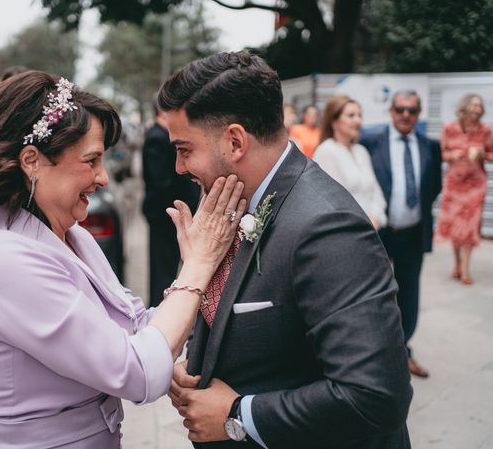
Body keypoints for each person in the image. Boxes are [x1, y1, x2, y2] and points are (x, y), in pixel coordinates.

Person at [0, 71, 247, 448]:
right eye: (90, 161)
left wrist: (168, 352)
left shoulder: (71, 236)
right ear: (32, 161)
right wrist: (198, 266)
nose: (103, 177)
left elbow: (137, 326)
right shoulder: (3, 262)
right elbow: (136, 372)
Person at [160, 51, 412, 448]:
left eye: (185, 149)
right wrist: (192, 362)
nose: (178, 167)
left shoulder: (326, 226)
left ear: (235, 141)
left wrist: (236, 415)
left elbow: (376, 396)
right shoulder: (227, 203)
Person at [361, 90, 442, 379]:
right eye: (400, 109)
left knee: (408, 294)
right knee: (373, 294)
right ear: (391, 112)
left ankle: (403, 349)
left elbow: (434, 187)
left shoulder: (430, 146)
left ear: (418, 114)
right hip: (380, 233)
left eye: (411, 110)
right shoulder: (370, 143)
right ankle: (373, 354)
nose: (405, 115)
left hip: (412, 234)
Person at [142, 104, 200, 305]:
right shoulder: (156, 138)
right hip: (163, 213)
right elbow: (161, 181)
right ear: (162, 112)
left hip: (169, 210)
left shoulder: (161, 135)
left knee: (170, 263)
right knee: (163, 266)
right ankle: (160, 306)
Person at [435, 94, 493, 285]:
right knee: (456, 226)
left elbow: (492, 154)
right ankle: (457, 264)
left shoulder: (485, 130)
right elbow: (440, 154)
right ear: (466, 106)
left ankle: (466, 269)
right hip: (455, 185)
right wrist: (454, 154)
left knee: (470, 226)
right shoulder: (449, 128)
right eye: (474, 105)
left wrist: (483, 153)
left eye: (480, 105)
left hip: (476, 186)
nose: (477, 109)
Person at [313, 94, 387, 229]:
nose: (358, 120)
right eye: (351, 115)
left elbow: (377, 193)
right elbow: (332, 202)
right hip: (344, 233)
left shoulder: (361, 151)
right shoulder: (326, 151)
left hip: (372, 232)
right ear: (334, 121)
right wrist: (362, 224)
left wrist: (375, 218)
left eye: (360, 115)